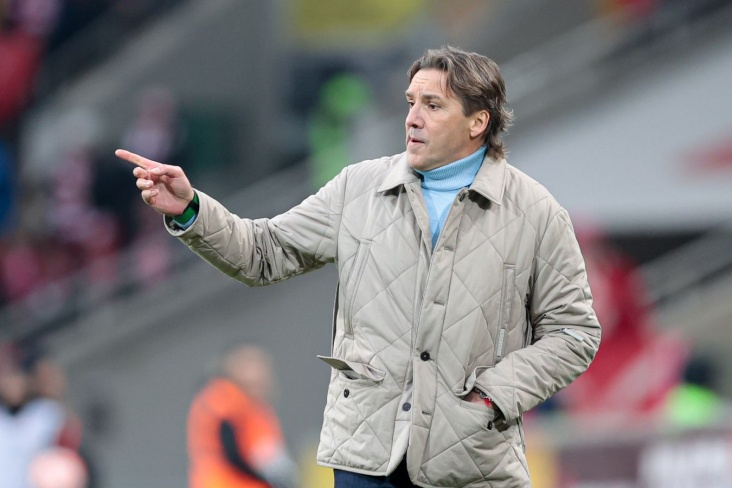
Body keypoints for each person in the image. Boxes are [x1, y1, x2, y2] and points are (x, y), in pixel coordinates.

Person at [116, 46, 601, 488]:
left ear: (478, 122)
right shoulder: (357, 187)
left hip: (474, 464)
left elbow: (574, 332)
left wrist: (493, 396)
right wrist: (191, 209)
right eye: (411, 102)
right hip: (366, 461)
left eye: (432, 106)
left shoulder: (537, 213)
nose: (412, 118)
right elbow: (262, 253)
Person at [187, 344, 297, 488]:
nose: (258, 371)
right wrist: (272, 476)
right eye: (249, 363)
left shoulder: (252, 404)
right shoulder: (222, 396)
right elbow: (232, 450)